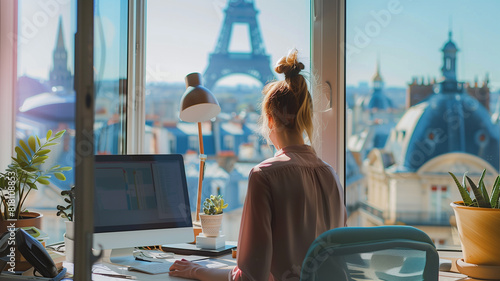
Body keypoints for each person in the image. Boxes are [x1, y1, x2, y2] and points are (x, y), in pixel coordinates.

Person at [169, 49, 346, 281]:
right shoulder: (330, 174)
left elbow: (251, 278)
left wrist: (196, 270)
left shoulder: (265, 175)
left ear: (270, 119)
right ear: (305, 117)